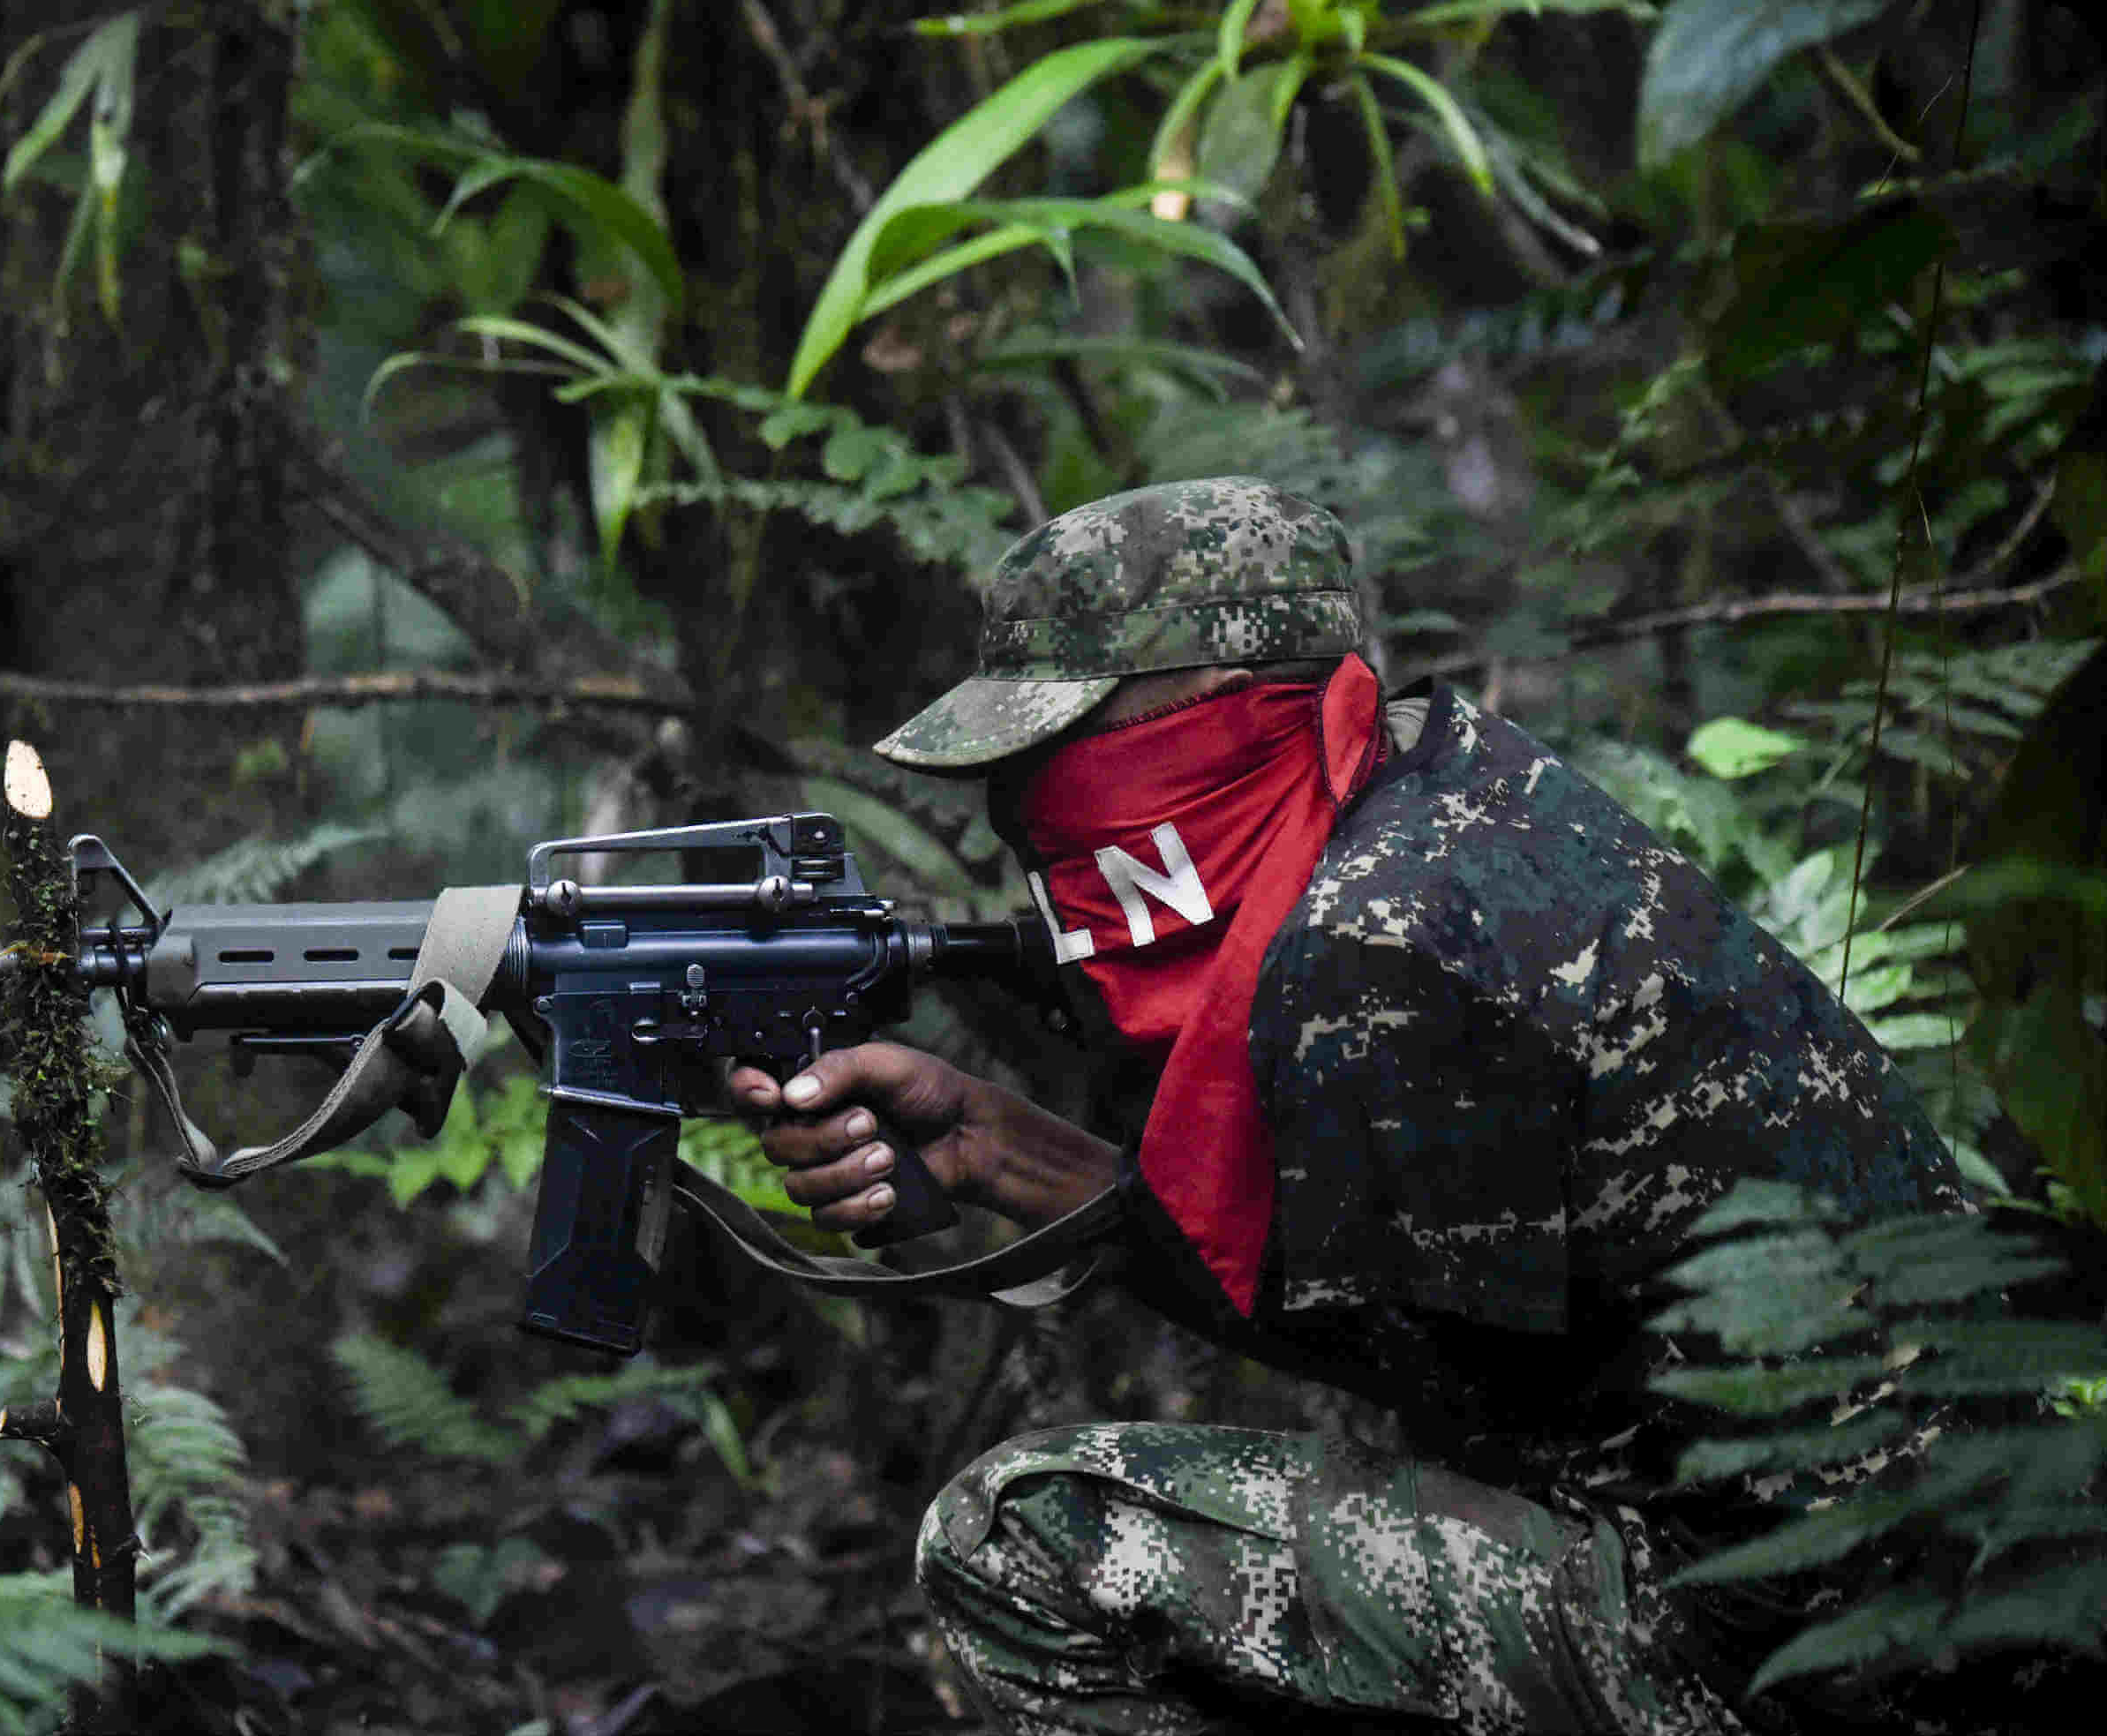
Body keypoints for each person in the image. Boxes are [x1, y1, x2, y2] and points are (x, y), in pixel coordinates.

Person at [727, 477, 1962, 1734]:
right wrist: (1001, 1150)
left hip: (1806, 1648)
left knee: (1024, 1540)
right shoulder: (1450, 789)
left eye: (1070, 743)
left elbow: (1449, 1415)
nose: (1035, 799)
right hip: (1934, 1556)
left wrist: (1037, 1175)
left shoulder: (1374, 949)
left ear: (1234, 706)